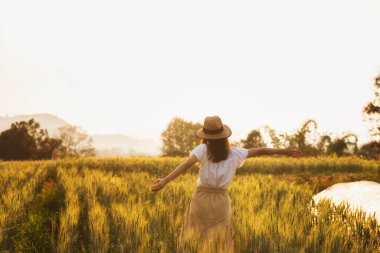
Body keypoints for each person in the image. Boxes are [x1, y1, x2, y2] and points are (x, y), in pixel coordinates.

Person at [151, 115, 302, 252]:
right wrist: (283, 150)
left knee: (196, 239)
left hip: (201, 199)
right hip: (221, 201)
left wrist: (165, 180)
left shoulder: (202, 149)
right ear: (223, 135)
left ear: (206, 136)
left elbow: (184, 165)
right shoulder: (235, 153)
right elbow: (260, 150)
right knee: (221, 242)